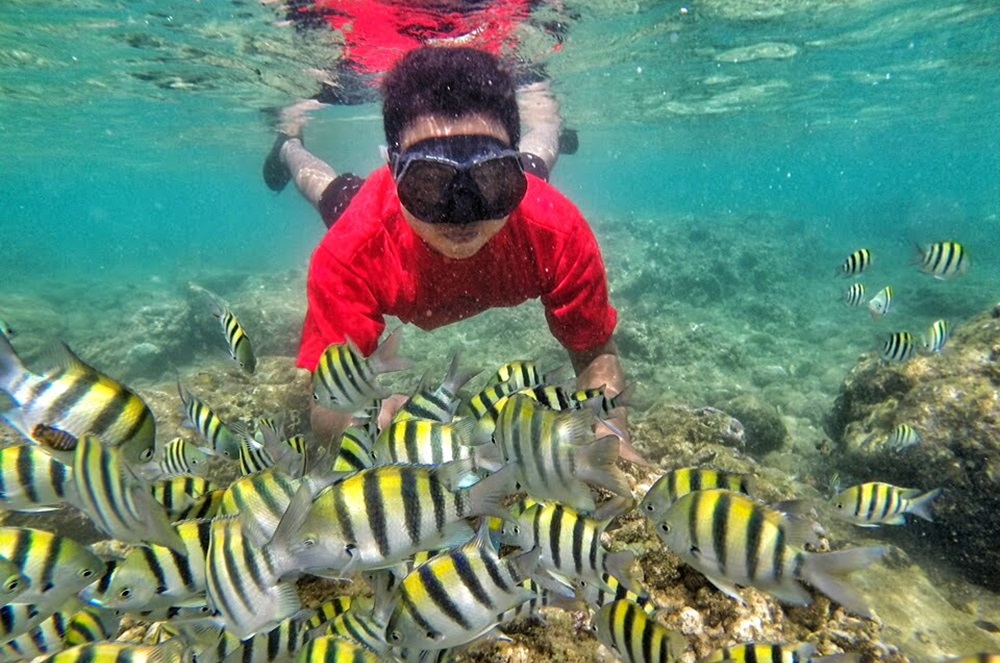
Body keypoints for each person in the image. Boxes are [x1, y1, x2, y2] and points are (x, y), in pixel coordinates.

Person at [286, 46, 637, 462]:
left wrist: (609, 431)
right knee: (327, 191)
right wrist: (364, 424)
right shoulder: (353, 251)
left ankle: (544, 135)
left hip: (523, 195)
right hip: (374, 212)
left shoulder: (555, 231)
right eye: (430, 183)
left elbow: (596, 354)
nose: (462, 212)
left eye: (492, 178)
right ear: (394, 170)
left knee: (536, 159)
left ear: (511, 177)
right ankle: (288, 144)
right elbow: (328, 400)